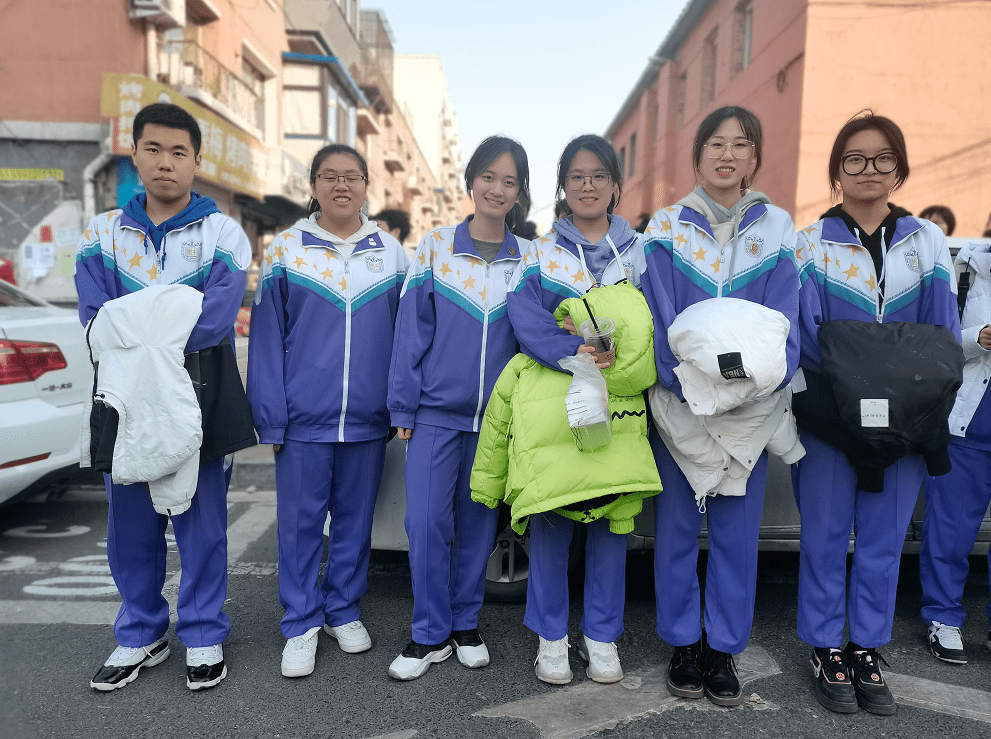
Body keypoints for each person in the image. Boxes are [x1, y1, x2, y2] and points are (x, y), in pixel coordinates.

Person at [77, 103, 251, 691]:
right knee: (130, 525)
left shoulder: (224, 233)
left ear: (197, 162)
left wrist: (140, 326)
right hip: (122, 403)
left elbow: (216, 322)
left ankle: (204, 633)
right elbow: (96, 322)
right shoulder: (101, 235)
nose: (166, 163)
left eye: (179, 152)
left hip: (199, 395)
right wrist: (168, 316)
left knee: (202, 523)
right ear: (135, 155)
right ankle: (140, 634)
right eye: (154, 149)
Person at [792, 112, 959, 715]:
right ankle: (823, 647)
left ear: (900, 167)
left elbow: (942, 336)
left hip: (907, 425)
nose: (869, 169)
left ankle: (865, 646)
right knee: (825, 539)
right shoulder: (809, 244)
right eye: (855, 159)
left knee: (885, 543)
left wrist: (914, 414)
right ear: (837, 170)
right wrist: (845, 412)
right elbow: (806, 339)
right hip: (832, 423)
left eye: (882, 158)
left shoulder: (927, 242)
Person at [641, 106, 801, 707]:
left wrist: (752, 386)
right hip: (679, 401)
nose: (727, 155)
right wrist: (680, 381)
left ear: (756, 158)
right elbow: (653, 313)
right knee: (678, 529)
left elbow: (790, 315)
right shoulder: (665, 228)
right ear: (698, 155)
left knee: (736, 533)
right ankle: (684, 642)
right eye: (715, 143)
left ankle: (723, 646)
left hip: (752, 408)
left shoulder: (779, 229)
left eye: (740, 144)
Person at [247, 144, 409, 678]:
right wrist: (270, 415)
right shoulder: (287, 251)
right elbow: (268, 341)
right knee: (299, 526)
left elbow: (406, 339)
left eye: (352, 177)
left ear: (367, 186)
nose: (342, 185)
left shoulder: (391, 254)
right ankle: (300, 621)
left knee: (355, 524)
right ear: (313, 186)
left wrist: (396, 405)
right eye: (329, 176)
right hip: (302, 421)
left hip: (368, 420)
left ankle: (343, 608)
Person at [386, 136, 532, 681]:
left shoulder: (530, 260)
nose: (498, 188)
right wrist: (403, 403)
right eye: (489, 177)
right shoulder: (434, 249)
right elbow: (410, 333)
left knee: (478, 528)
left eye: (510, 181)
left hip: (497, 421)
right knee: (425, 523)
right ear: (471, 181)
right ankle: (428, 634)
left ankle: (465, 624)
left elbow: (535, 337)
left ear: (520, 193)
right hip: (433, 414)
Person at [506, 133, 648, 685]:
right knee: (552, 518)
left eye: (598, 176)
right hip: (557, 401)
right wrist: (576, 352)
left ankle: (602, 637)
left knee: (614, 520)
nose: (587, 186)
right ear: (563, 187)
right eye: (576, 177)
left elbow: (653, 321)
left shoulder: (640, 252)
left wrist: (622, 357)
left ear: (615, 185)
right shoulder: (540, 253)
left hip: (623, 403)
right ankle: (551, 638)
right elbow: (525, 316)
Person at [918, 236, 991, 665]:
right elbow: (933, 338)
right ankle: (943, 617)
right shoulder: (964, 269)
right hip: (966, 427)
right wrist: (975, 338)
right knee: (950, 532)